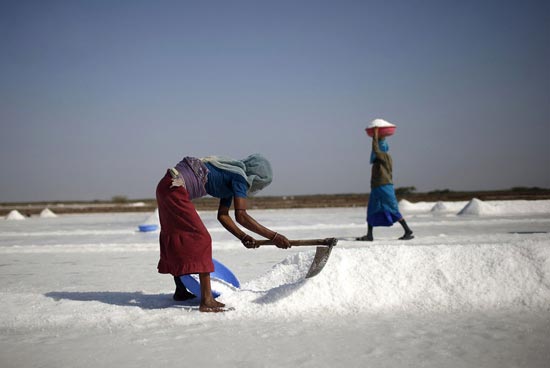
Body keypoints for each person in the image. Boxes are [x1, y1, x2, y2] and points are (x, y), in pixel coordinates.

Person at [155, 154, 290, 313]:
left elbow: (223, 215)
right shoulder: (239, 177)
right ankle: (207, 300)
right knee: (202, 239)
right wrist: (274, 237)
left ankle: (180, 290)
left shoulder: (230, 174)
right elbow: (242, 216)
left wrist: (243, 237)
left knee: (177, 235)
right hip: (175, 188)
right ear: (255, 176)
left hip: (166, 186)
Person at [356, 127, 414, 241]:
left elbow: (376, 149)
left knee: (393, 208)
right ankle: (369, 235)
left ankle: (407, 230)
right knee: (372, 209)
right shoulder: (377, 160)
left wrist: (375, 135)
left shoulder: (385, 156)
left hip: (385, 186)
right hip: (376, 187)